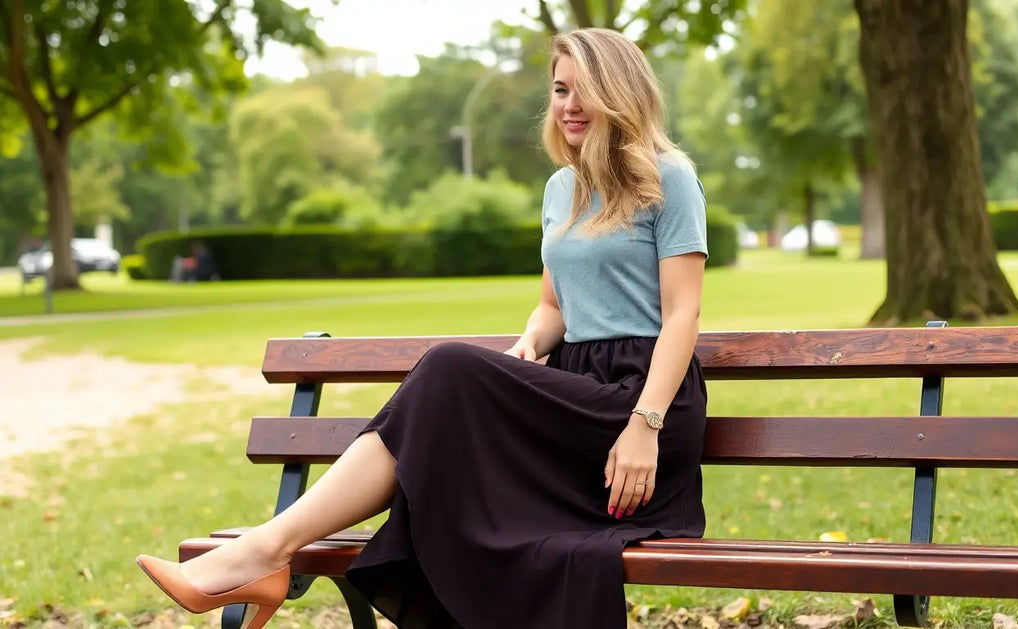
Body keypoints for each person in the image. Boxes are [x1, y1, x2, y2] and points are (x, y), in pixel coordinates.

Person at [136, 27, 709, 629]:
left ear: (619, 92)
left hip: (645, 401)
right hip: (575, 394)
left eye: (583, 90)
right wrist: (528, 346)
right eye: (559, 89)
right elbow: (554, 308)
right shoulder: (560, 188)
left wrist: (645, 425)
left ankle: (263, 552)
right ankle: (269, 552)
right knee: (444, 401)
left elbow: (683, 315)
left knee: (448, 368)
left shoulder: (668, 178)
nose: (567, 105)